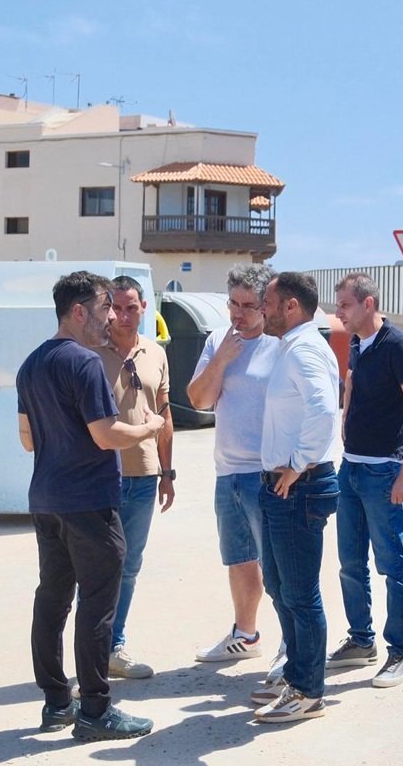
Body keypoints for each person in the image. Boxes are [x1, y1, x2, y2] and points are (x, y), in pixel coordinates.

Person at [17, 271, 165, 741]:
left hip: (46, 498)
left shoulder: (31, 364)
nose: (111, 318)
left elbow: (25, 438)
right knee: (98, 606)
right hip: (89, 502)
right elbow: (107, 435)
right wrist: (150, 428)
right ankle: (96, 710)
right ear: (78, 311)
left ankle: (57, 703)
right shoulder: (83, 363)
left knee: (52, 600)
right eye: (104, 309)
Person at [249, 270, 342, 724]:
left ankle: (308, 691)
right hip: (284, 487)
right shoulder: (293, 347)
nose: (261, 310)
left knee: (301, 593)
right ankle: (297, 674)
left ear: (290, 306)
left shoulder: (303, 348)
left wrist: (298, 461)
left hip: (298, 487)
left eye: (266, 302)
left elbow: (326, 409)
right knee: (280, 586)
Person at [331, 273, 403, 688]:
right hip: (351, 469)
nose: (339, 314)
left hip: (383, 472)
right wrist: (346, 416)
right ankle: (360, 641)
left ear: (368, 304)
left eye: (345, 306)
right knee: (350, 563)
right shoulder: (356, 341)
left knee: (391, 565)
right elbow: (351, 379)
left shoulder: (397, 346)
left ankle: (399, 652)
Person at [187, 263, 283, 663]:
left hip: (269, 473)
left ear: (267, 307)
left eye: (248, 305)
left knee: (278, 567)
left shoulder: (283, 345)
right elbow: (198, 400)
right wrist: (222, 359)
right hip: (228, 471)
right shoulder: (217, 341)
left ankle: (290, 646)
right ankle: (246, 635)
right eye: (233, 303)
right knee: (239, 558)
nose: (238, 313)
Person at [95, 277, 174, 681]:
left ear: (145, 307)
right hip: (99, 475)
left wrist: (167, 472)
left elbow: (164, 414)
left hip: (143, 476)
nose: (124, 317)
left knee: (129, 564)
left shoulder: (155, 354)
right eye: (117, 309)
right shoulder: (89, 351)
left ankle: (113, 646)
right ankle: (90, 650)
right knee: (96, 567)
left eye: (132, 308)